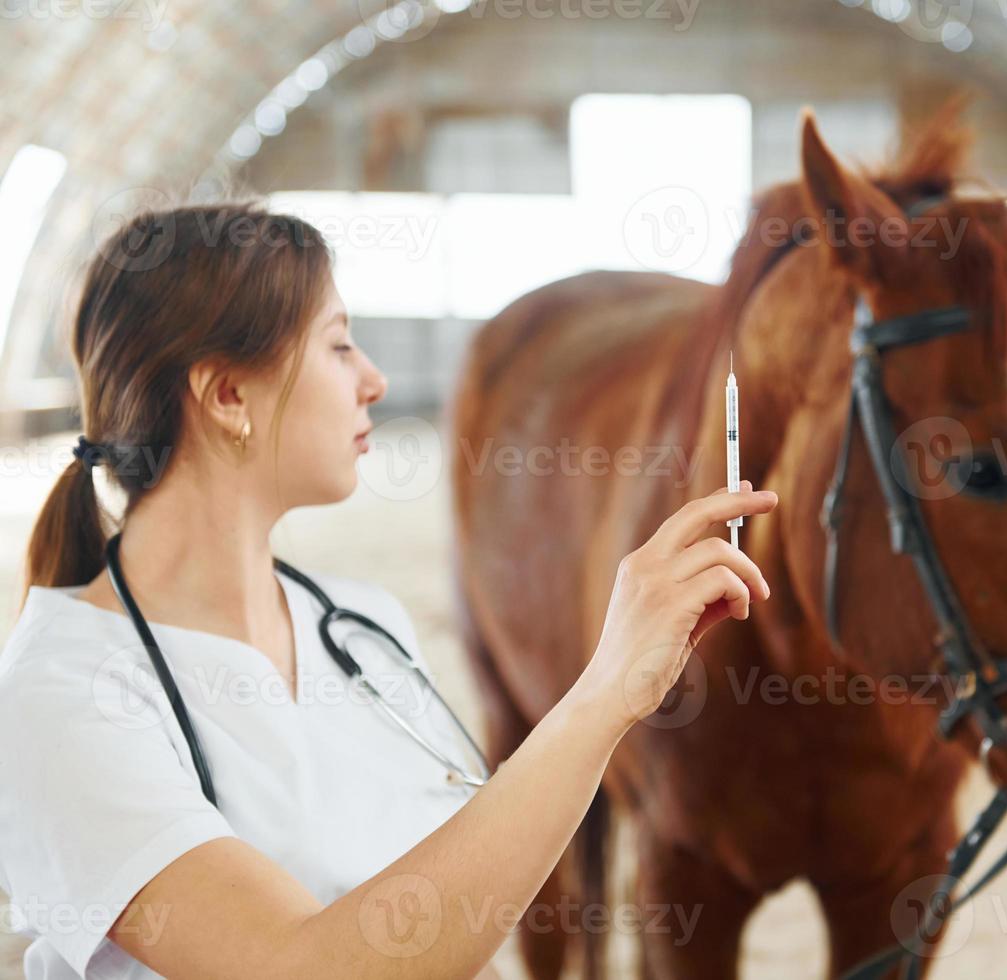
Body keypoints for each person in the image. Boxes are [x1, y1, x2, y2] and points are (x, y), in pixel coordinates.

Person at [0, 203, 776, 979]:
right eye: (339, 345)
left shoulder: (362, 627)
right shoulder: (64, 693)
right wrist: (605, 692)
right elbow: (303, 969)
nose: (375, 380)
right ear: (228, 396)